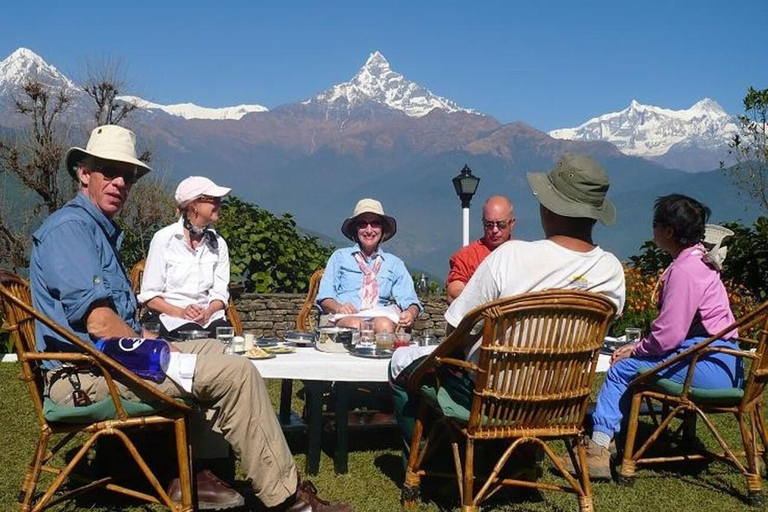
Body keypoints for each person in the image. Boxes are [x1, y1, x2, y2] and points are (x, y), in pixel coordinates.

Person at [29, 124, 351, 512]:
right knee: (235, 374)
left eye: (126, 175)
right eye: (108, 172)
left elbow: (113, 320)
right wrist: (155, 346)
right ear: (84, 173)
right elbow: (98, 324)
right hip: (86, 378)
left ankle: (201, 471)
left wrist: (152, 339)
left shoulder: (94, 230)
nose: (119, 183)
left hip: (108, 364)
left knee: (220, 352)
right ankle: (287, 499)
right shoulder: (71, 230)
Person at [390, 154, 626, 457]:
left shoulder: (510, 257)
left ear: (548, 207)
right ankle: (516, 459)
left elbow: (455, 328)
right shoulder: (611, 271)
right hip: (561, 398)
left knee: (401, 363)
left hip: (494, 397)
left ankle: (430, 463)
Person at [563, 194, 742, 480]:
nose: (653, 229)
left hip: (707, 367)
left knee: (622, 369)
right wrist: (641, 347)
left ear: (669, 231)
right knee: (633, 363)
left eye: (655, 224)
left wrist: (636, 349)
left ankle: (597, 449)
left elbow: (669, 335)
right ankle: (610, 437)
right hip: (728, 364)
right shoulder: (700, 261)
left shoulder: (684, 270)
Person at [138, 176, 233, 339]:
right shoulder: (164, 239)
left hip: (208, 319)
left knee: (224, 334)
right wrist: (181, 312)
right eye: (213, 199)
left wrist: (208, 312)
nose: (219, 203)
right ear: (194, 205)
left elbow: (220, 294)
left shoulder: (218, 244)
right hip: (169, 317)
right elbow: (150, 296)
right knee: (191, 334)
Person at [316, 198, 422, 333]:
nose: (369, 229)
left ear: (382, 228)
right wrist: (339, 307)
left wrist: (411, 313)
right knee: (356, 325)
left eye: (375, 223)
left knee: (384, 325)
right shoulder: (340, 257)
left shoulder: (394, 264)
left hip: (380, 316)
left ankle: (380, 353)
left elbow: (410, 300)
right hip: (344, 318)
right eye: (363, 224)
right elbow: (324, 297)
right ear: (356, 229)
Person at [445, 195, 515, 304]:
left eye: (501, 225)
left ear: (512, 223)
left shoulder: (522, 254)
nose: (495, 230)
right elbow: (453, 292)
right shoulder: (466, 256)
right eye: (489, 224)